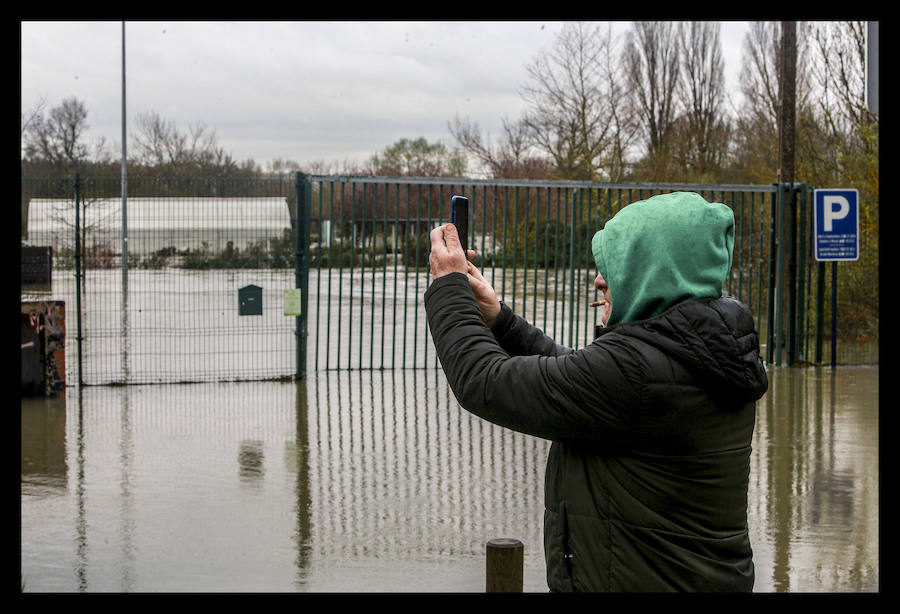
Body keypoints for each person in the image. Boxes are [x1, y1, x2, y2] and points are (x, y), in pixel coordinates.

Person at [424, 190, 768, 592]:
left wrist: (449, 286)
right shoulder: (703, 353)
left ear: (652, 270)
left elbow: (484, 381)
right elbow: (578, 378)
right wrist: (500, 322)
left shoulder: (635, 370)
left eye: (616, 262)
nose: (599, 278)